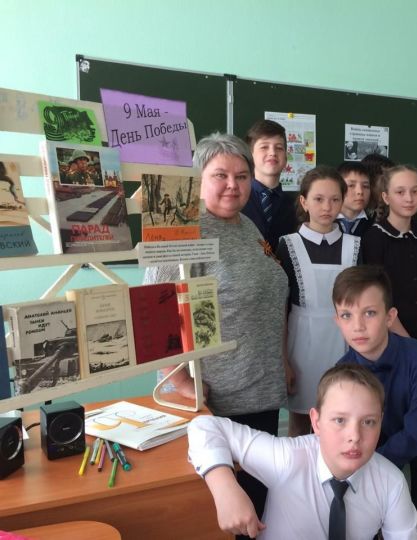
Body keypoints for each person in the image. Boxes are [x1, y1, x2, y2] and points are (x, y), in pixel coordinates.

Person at [144, 132, 289, 538]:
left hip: (260, 395)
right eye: (220, 175)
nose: (233, 185)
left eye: (242, 176)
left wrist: (283, 361)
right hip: (215, 405)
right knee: (223, 520)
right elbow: (154, 314)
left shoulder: (247, 225)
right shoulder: (182, 229)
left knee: (255, 514)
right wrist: (181, 383)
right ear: (198, 179)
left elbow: (269, 297)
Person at [187, 364, 417, 539]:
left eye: (368, 422)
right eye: (340, 420)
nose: (355, 436)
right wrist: (225, 489)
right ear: (316, 422)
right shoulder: (288, 459)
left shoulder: (390, 482)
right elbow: (204, 426)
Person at [333, 265, 417, 540]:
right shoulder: (342, 374)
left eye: (369, 313)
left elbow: (415, 435)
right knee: (365, 519)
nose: (358, 326)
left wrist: (369, 468)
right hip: (375, 441)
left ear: (390, 317)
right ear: (337, 321)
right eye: (347, 315)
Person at [276, 166, 360, 436]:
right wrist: (284, 361)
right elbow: (281, 308)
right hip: (301, 346)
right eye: (319, 199)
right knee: (301, 421)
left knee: (340, 417)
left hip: (344, 345)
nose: (327, 207)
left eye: (335, 199)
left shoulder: (355, 245)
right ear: (304, 201)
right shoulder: (287, 244)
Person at [362, 165, 417, 352]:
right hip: (390, 339)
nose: (409, 198)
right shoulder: (374, 238)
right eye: (400, 192)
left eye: (415, 191)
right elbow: (378, 297)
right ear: (386, 197)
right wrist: (410, 344)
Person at [241, 119, 297, 251]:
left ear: (286, 158)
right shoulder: (237, 199)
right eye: (264, 147)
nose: (272, 153)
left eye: (279, 148)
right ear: (250, 156)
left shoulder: (297, 206)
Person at [336, 161, 374, 237]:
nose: (360, 192)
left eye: (365, 186)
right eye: (351, 185)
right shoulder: (324, 223)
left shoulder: (375, 227)